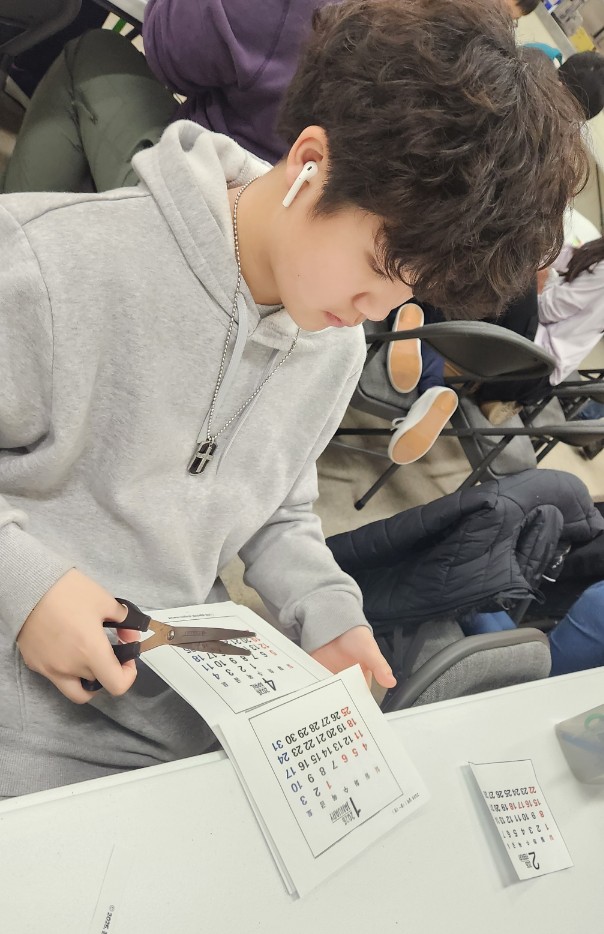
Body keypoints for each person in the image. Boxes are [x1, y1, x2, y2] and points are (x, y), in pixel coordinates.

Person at [0, 0, 588, 798]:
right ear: (311, 163)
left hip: (166, 697)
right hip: (28, 692)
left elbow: (275, 503)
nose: (381, 307)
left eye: (412, 291)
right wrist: (28, 587)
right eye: (380, 268)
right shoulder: (50, 261)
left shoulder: (332, 343)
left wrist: (329, 612)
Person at [0, 0, 338, 193]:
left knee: (92, 52)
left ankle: (14, 254)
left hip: (208, 209)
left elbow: (169, 55)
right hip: (297, 227)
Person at [478, 236, 604, 423]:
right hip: (537, 361)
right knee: (522, 252)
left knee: (519, 274)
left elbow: (547, 310)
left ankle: (480, 373)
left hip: (536, 365)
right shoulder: (598, 253)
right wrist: (538, 248)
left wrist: (542, 279)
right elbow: (564, 255)